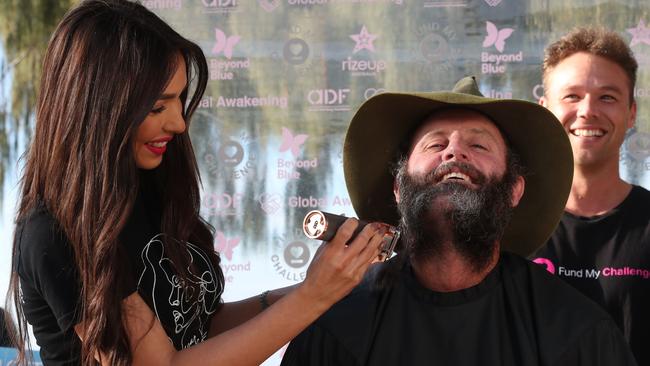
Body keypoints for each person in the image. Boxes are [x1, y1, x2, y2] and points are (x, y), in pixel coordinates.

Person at [6, 1, 385, 365]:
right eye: (157, 107)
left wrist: (329, 283)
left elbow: (201, 329)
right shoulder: (53, 233)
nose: (179, 123)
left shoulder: (149, 188)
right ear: (99, 109)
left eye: (180, 101)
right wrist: (313, 298)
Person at [280, 76, 638, 365]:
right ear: (398, 189)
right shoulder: (338, 326)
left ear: (514, 189)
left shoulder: (574, 331)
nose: (453, 151)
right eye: (435, 145)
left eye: (479, 146)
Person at [531, 27, 650, 365]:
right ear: (544, 110)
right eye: (572, 96)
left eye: (607, 97)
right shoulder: (509, 227)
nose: (588, 110)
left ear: (631, 113)